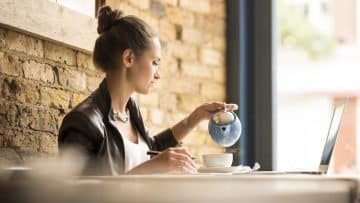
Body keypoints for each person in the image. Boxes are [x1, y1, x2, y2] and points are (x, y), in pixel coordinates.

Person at [58, 6, 238, 176]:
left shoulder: (130, 111)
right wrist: (150, 168)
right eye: (154, 62)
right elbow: (80, 195)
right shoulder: (82, 123)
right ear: (129, 58)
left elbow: (150, 148)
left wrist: (195, 118)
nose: (158, 74)